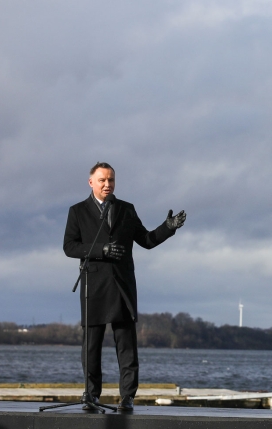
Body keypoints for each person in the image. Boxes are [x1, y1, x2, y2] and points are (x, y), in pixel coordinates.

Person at [64, 162, 186, 411]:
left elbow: (147, 240)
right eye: (102, 180)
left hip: (122, 286)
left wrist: (168, 228)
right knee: (91, 347)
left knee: (127, 346)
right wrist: (101, 250)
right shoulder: (77, 211)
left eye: (111, 180)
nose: (107, 184)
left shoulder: (126, 209)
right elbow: (70, 247)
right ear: (91, 182)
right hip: (93, 287)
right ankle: (90, 394)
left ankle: (127, 397)